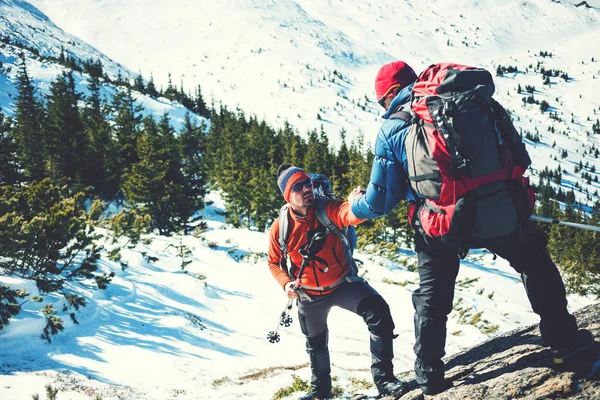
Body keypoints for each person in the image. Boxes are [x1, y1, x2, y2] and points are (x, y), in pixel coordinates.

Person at [350, 60, 595, 397]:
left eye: (381, 102)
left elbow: (380, 202)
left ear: (389, 94)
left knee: (432, 296)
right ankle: (565, 345)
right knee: (534, 262)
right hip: (499, 209)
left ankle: (430, 374)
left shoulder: (392, 128)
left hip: (442, 223)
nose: (382, 108)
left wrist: (354, 206)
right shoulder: (463, 100)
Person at [267, 164, 407, 400]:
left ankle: (385, 380)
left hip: (343, 285)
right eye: (298, 187)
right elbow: (274, 262)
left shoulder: (326, 208)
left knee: (379, 313)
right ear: (287, 196)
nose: (306, 189)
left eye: (307, 184)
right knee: (316, 344)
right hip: (309, 296)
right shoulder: (281, 228)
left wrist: (358, 205)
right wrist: (286, 283)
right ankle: (320, 392)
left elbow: (348, 214)